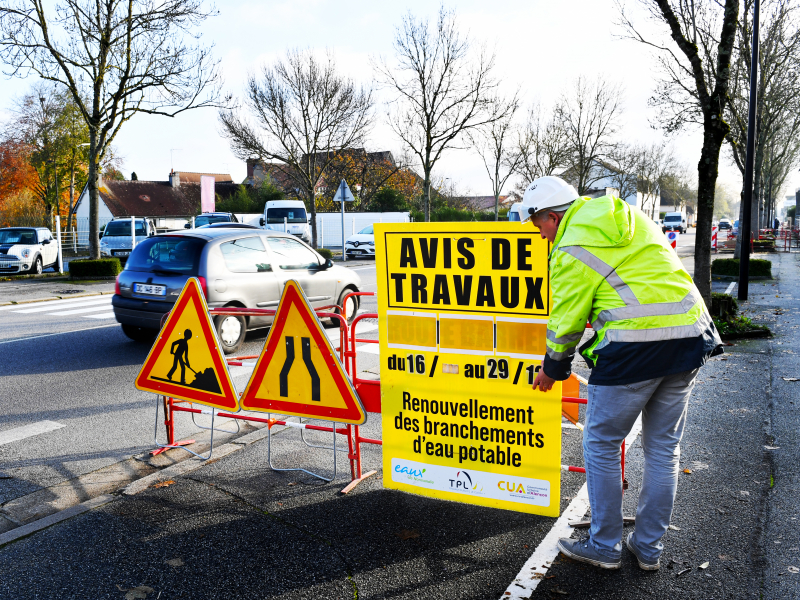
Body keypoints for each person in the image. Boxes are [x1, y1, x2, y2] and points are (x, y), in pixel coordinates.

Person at [523, 176, 722, 571]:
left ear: (551, 216)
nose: (540, 236)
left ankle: (604, 545)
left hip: (634, 350)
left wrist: (552, 370)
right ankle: (648, 548)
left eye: (537, 226)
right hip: (690, 336)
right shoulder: (629, 216)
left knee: (600, 443)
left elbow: (566, 322)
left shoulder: (570, 244)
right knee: (663, 448)